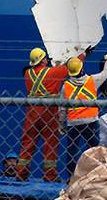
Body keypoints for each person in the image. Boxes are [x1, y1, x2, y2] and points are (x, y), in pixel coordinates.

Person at [16, 47, 86, 182]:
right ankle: (50, 176)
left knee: (28, 142)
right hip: (49, 112)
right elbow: (69, 67)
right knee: (50, 143)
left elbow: (42, 75)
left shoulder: (27, 74)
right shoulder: (53, 72)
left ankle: (21, 174)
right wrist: (83, 54)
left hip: (32, 112)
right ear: (42, 60)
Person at [62, 54, 107, 179]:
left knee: (72, 151)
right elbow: (106, 72)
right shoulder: (92, 80)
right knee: (93, 149)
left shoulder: (65, 86)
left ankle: (71, 177)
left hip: (73, 122)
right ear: (82, 68)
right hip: (91, 121)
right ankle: (93, 175)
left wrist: (61, 124)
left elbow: (62, 108)